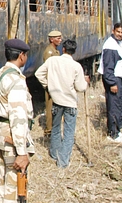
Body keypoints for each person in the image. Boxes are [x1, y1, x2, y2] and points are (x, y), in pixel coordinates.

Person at [0, 39, 35, 203]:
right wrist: (22, 152)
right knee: (14, 187)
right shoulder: (16, 80)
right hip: (12, 138)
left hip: (1, 136)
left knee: (2, 182)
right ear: (21, 56)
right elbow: (18, 118)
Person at [35, 39, 88, 168]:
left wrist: (48, 86)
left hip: (56, 101)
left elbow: (38, 74)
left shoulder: (52, 61)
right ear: (74, 52)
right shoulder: (76, 66)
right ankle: (63, 161)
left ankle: (54, 153)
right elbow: (81, 87)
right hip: (70, 103)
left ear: (63, 49)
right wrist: (86, 82)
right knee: (69, 132)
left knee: (56, 128)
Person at [98, 23, 122, 143]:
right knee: (113, 106)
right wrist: (112, 83)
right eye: (118, 32)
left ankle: (118, 130)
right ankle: (113, 134)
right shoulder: (110, 45)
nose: (120, 34)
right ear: (113, 31)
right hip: (113, 79)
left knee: (119, 104)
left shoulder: (118, 43)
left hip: (117, 78)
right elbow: (108, 67)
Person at [42, 30, 62, 136]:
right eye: (58, 38)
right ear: (51, 39)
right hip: (51, 82)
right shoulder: (49, 52)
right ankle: (49, 129)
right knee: (50, 106)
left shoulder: (56, 51)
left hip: (56, 82)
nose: (60, 40)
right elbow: (47, 69)